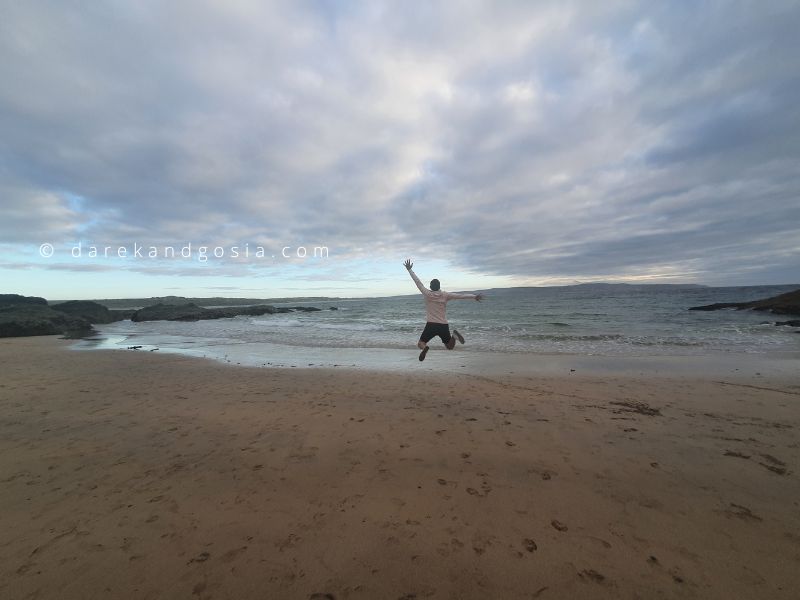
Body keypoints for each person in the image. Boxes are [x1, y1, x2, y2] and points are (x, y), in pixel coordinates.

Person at [404, 259, 483, 361]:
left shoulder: (427, 294)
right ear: (439, 286)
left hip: (431, 324)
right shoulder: (445, 295)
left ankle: (425, 348)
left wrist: (410, 270)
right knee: (449, 347)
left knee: (421, 343)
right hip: (443, 325)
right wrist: (474, 297)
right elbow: (460, 296)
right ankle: (454, 336)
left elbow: (418, 282)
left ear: (431, 286)